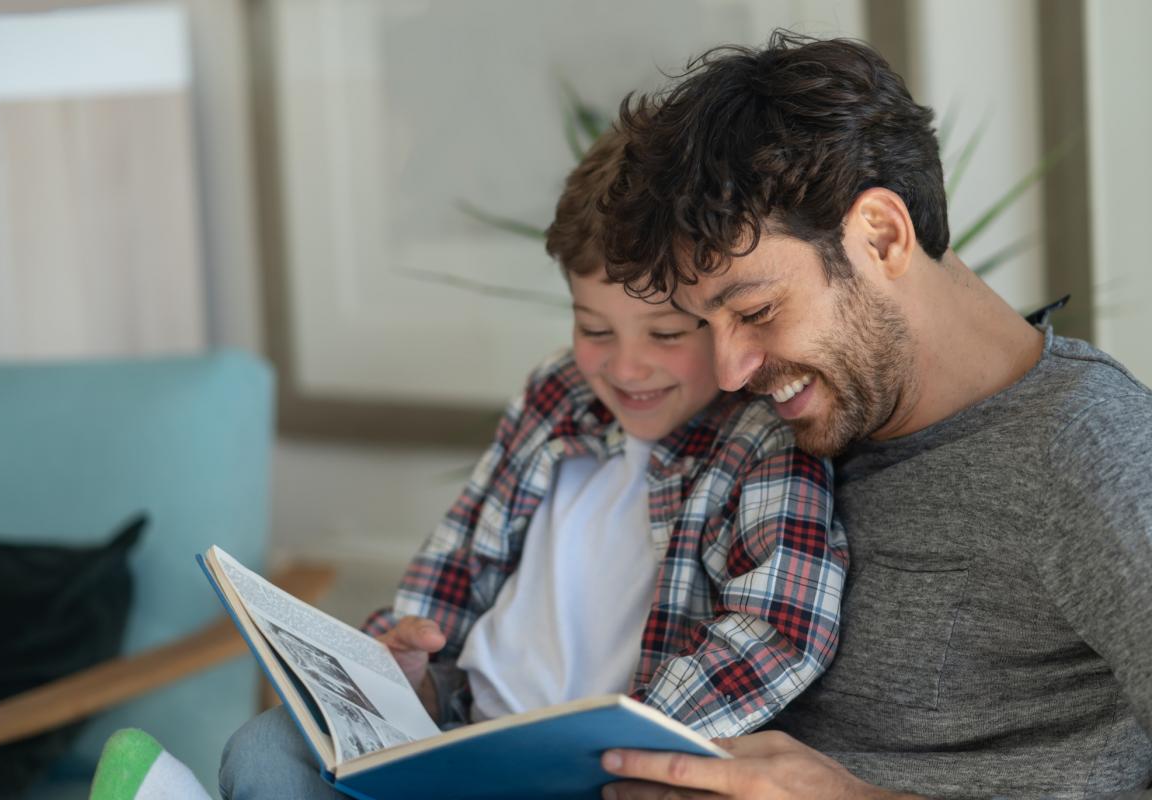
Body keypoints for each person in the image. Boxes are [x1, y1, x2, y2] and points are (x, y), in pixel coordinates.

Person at [591, 31, 1152, 800]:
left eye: (755, 310)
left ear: (881, 235)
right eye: (701, 324)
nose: (730, 370)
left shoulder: (1094, 455)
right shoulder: (771, 436)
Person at [218, 128, 848, 798]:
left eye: (665, 335)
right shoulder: (558, 392)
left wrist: (630, 744)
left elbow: (781, 632)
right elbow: (455, 569)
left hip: (596, 773)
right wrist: (405, 672)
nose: (625, 367)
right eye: (594, 330)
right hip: (459, 736)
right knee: (264, 747)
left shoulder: (761, 436)